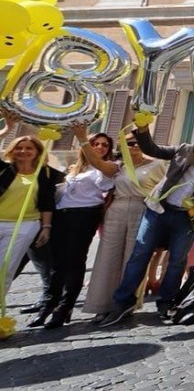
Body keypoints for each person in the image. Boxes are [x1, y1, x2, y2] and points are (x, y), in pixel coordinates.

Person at [97, 118, 194, 327]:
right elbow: (151, 148)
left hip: (186, 216)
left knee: (176, 262)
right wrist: (143, 128)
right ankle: (123, 302)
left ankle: (166, 301)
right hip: (157, 209)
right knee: (140, 254)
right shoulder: (185, 149)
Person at [31, 126, 118, 329]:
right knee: (57, 263)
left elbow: (98, 164)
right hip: (63, 214)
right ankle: (48, 304)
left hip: (85, 215)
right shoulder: (74, 168)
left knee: (75, 261)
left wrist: (82, 138)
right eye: (96, 143)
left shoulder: (110, 167)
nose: (100, 147)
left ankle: (65, 306)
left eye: (105, 145)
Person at [83, 133, 164, 317]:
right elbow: (97, 163)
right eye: (129, 143)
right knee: (107, 257)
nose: (134, 146)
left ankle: (125, 302)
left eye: (138, 142)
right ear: (122, 147)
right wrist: (82, 139)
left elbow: (167, 187)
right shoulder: (118, 166)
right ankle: (101, 304)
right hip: (116, 209)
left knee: (133, 258)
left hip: (142, 208)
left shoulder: (158, 164)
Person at [0, 124, 57, 319]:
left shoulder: (45, 173)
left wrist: (46, 227)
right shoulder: (4, 169)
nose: (23, 151)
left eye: (29, 148)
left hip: (24, 226)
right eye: (19, 147)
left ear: (37, 152)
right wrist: (7, 130)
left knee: (5, 269)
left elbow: (47, 202)